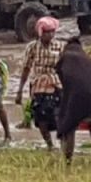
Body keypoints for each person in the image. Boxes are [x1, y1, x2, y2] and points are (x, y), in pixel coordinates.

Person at [54, 38, 91, 161]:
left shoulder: (66, 58)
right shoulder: (90, 60)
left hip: (78, 98)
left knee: (69, 127)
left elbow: (63, 80)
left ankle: (67, 160)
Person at [15, 16, 63, 149]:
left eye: (53, 31)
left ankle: (62, 142)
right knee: (40, 117)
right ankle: (49, 144)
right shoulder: (32, 47)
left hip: (56, 84)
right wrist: (19, 91)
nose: (50, 35)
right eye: (47, 32)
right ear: (41, 32)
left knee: (59, 115)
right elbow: (26, 68)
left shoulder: (59, 46)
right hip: (38, 86)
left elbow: (64, 68)